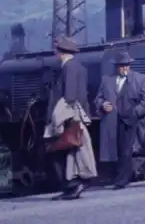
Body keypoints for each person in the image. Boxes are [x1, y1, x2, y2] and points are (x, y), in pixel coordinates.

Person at [44, 35, 97, 200]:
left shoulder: (69, 67)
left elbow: (70, 96)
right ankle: (73, 186)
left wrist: (57, 118)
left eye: (57, 50)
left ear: (61, 52)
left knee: (60, 150)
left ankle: (74, 185)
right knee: (73, 152)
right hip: (74, 115)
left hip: (68, 116)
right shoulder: (79, 67)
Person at [94, 51, 145, 190]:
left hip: (133, 120)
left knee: (127, 150)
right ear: (116, 66)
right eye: (122, 66)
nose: (125, 69)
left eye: (127, 66)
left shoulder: (140, 79)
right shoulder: (107, 80)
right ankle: (118, 177)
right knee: (117, 150)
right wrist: (102, 104)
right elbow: (98, 98)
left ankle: (121, 180)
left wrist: (136, 113)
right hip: (113, 120)